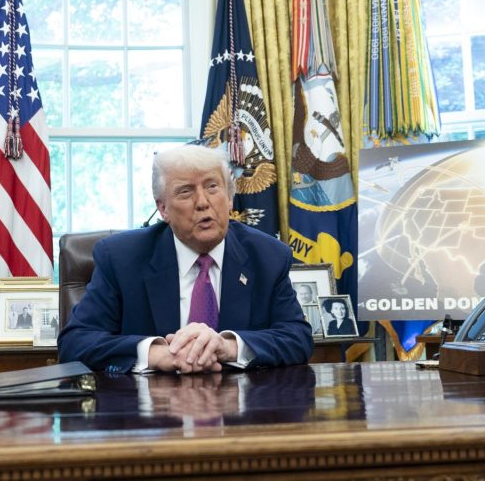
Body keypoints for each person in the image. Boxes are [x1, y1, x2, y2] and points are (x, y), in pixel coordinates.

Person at [58, 144, 312, 373]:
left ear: (229, 198)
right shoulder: (120, 258)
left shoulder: (268, 256)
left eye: (212, 187)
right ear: (163, 208)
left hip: (241, 405)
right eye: (185, 191)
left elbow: (297, 337)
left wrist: (227, 346)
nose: (202, 202)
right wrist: (158, 354)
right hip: (150, 405)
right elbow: (75, 342)